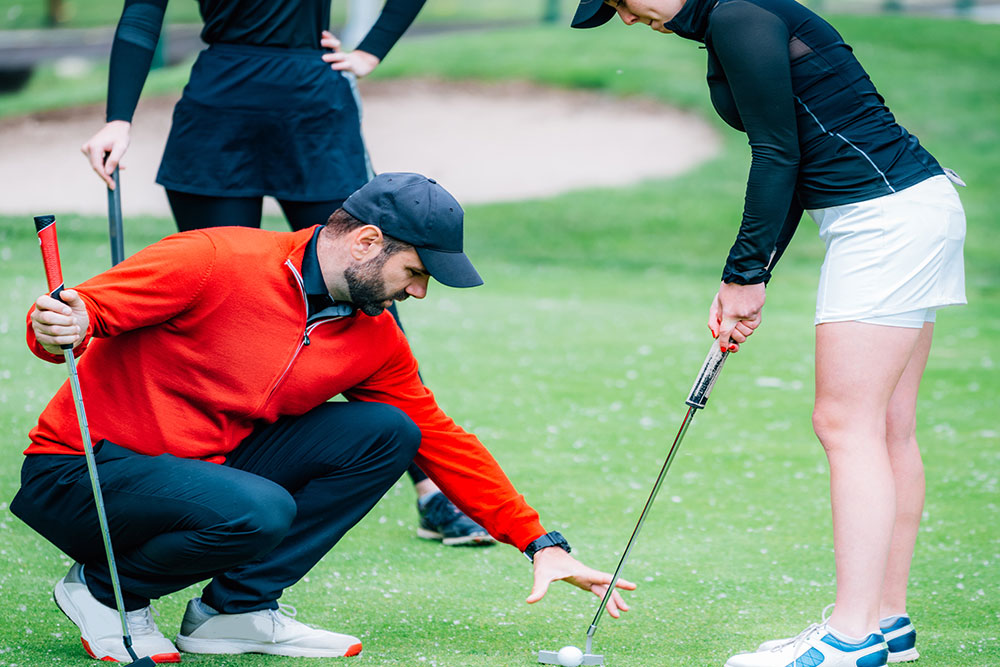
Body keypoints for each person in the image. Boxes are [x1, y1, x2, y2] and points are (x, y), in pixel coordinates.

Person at [13, 173, 636, 663]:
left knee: (389, 431)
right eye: (414, 272)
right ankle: (105, 591)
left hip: (208, 474)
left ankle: (236, 613)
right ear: (367, 242)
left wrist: (537, 541)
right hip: (82, 474)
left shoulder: (374, 335)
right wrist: (63, 323)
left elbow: (440, 438)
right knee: (258, 507)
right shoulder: (214, 257)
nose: (418, 292)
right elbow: (75, 316)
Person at [570, 1, 966, 666]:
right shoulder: (736, 16)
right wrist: (753, 279)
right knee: (887, 424)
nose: (629, 19)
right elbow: (792, 158)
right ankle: (884, 622)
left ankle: (849, 637)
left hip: (885, 219)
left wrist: (743, 273)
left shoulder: (737, 13)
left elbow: (777, 153)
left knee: (846, 423)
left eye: (621, 3)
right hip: (907, 207)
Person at [79, 0, 493, 547]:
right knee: (220, 297)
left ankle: (430, 489)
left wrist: (372, 50)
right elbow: (141, 15)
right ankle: (201, 482)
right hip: (220, 105)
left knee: (371, 289)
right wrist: (118, 116)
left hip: (314, 105)